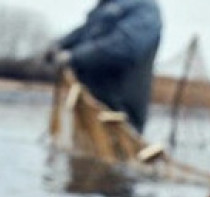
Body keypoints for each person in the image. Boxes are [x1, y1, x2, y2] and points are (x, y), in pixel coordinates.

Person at [47, 0, 162, 133]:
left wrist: (73, 57)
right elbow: (85, 31)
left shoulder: (144, 7)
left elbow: (125, 46)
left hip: (119, 112)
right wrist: (60, 44)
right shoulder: (104, 7)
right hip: (89, 106)